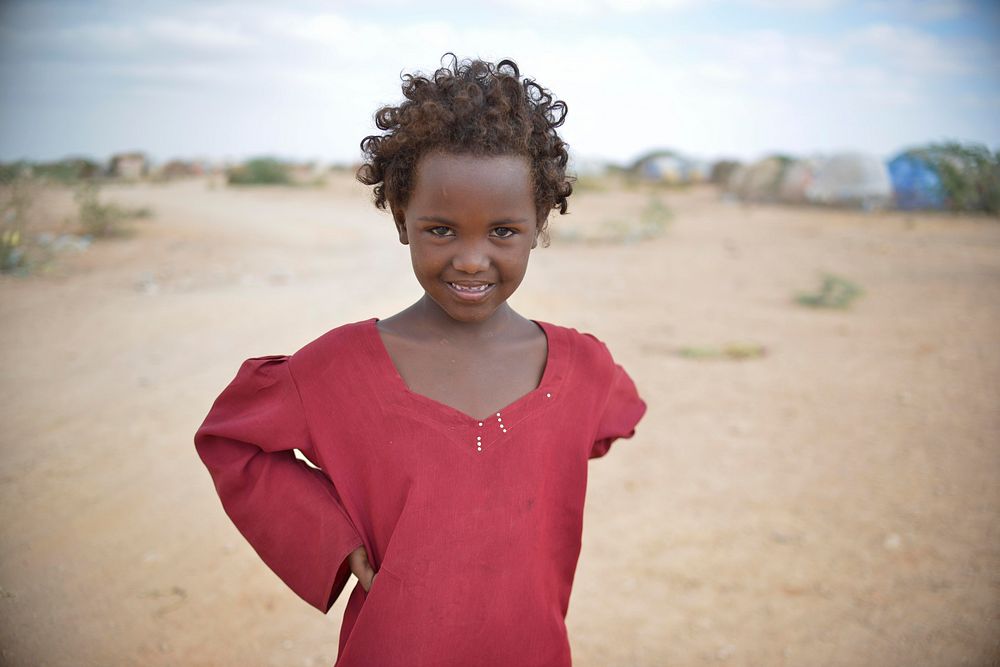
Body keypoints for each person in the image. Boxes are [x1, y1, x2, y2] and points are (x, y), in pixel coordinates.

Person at [194, 54, 647, 666]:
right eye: (441, 230)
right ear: (402, 219)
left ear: (540, 225)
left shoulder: (582, 370)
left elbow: (600, 420)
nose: (470, 258)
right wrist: (333, 539)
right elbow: (232, 439)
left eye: (503, 232)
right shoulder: (335, 370)